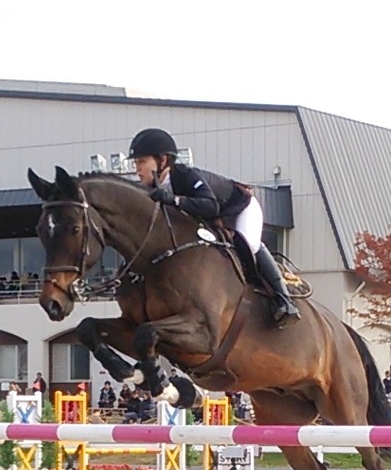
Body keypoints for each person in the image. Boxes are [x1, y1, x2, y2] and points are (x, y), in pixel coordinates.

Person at [128, 128, 300, 326]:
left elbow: (210, 206)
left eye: (141, 162)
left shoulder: (186, 176)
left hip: (239, 208)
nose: (137, 169)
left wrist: (173, 200)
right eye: (136, 163)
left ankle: (284, 300)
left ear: (163, 160)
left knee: (249, 244)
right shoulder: (151, 188)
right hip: (213, 218)